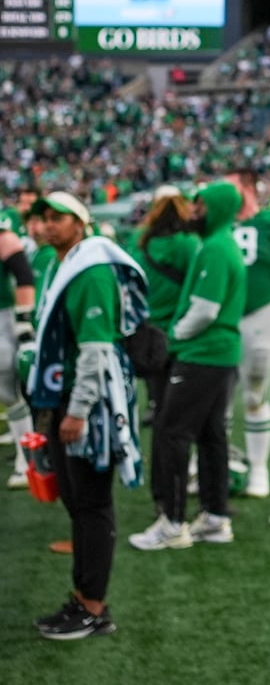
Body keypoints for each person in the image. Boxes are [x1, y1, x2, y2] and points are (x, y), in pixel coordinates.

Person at [26, 191, 148, 640]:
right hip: (69, 394)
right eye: (45, 217)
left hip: (90, 404)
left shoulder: (91, 268)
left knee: (92, 504)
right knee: (79, 504)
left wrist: (76, 410)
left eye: (59, 217)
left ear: (80, 223)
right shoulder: (67, 262)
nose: (50, 224)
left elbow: (95, 351)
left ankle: (93, 608)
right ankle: (83, 599)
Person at [131, 180, 245, 550]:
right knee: (212, 436)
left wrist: (175, 337)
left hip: (202, 353)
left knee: (170, 433)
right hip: (219, 353)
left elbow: (204, 310)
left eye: (200, 206)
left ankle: (173, 523)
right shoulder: (217, 244)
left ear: (217, 208)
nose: (193, 212)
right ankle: (215, 516)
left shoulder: (214, 247)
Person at [224, 167, 270, 498]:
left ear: (248, 187)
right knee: (218, 399)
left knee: (255, 393)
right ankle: (215, 465)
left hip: (259, 313)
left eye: (232, 186)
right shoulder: (216, 222)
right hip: (222, 317)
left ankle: (259, 470)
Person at [129, 186, 198, 452]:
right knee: (183, 406)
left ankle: (163, 469)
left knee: (159, 401)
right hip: (181, 333)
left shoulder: (140, 239)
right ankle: (180, 464)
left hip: (147, 330)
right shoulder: (188, 244)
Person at [1, 195, 38, 489]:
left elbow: (24, 277)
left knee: (9, 389)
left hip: (2, 319)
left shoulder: (5, 234)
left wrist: (24, 324)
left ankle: (27, 459)